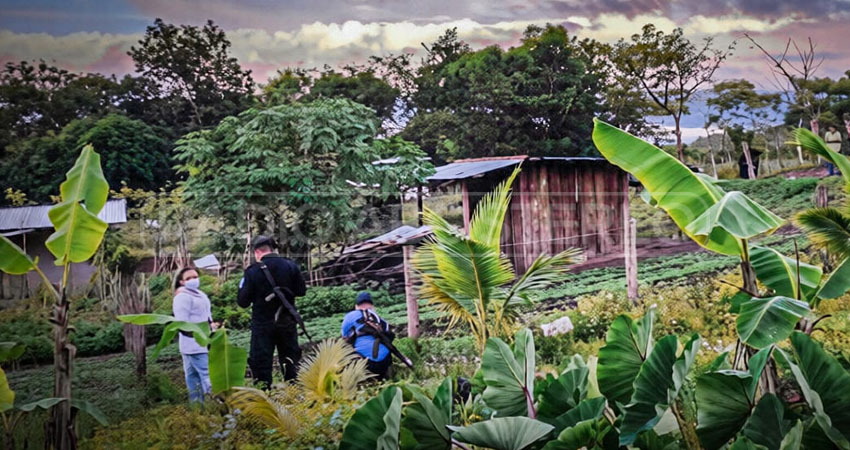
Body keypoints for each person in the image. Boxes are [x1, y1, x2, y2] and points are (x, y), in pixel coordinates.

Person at [237, 235, 307, 388]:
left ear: (257, 252)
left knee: (261, 362)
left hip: (262, 325)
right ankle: (294, 394)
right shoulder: (290, 266)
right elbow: (301, 291)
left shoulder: (252, 271)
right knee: (290, 360)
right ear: (272, 249)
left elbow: (242, 302)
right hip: (286, 321)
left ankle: (264, 394)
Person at [173, 267, 213, 402]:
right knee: (207, 378)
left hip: (202, 342)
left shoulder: (200, 294)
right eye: (188, 278)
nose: (193, 280)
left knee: (193, 379)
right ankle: (219, 407)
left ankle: (199, 411)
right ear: (182, 282)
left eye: (195, 277)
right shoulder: (182, 297)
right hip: (194, 345)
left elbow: (207, 316)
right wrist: (200, 337)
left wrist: (212, 328)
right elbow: (182, 324)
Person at [341, 292, 393, 380]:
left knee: (345, 348)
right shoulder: (379, 320)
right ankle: (387, 377)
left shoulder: (350, 317)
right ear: (372, 307)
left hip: (368, 364)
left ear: (356, 306)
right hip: (386, 362)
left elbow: (344, 336)